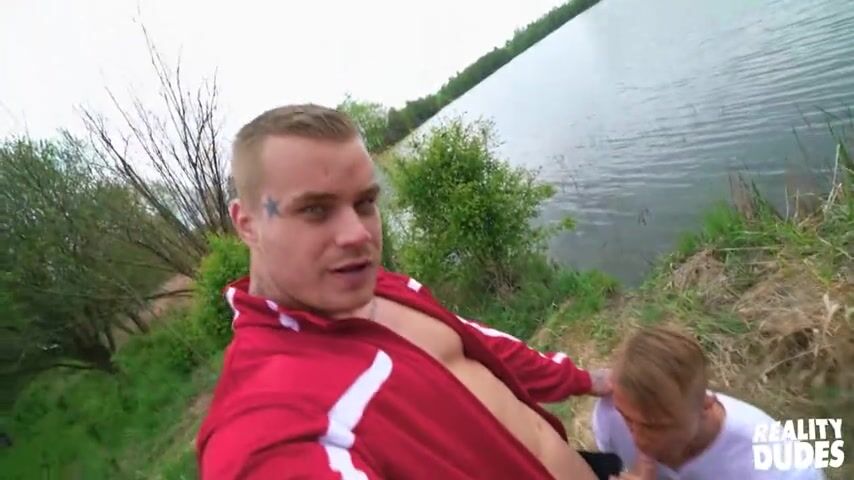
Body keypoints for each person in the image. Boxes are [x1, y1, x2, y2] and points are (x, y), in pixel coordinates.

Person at [196, 104, 614, 479]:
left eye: (364, 203)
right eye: (315, 210)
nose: (357, 234)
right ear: (247, 224)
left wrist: (588, 381)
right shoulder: (268, 419)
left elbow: (482, 345)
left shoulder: (381, 287)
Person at [591, 325, 826, 480]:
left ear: (706, 404)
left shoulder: (784, 469)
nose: (639, 441)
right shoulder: (610, 415)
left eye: (657, 427)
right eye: (628, 420)